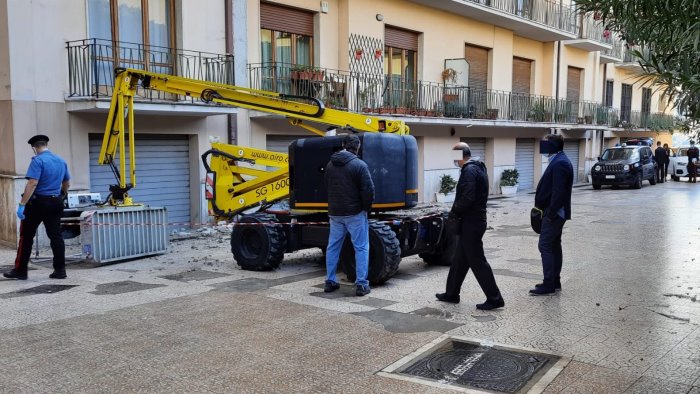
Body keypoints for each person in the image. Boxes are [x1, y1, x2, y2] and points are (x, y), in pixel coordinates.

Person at [436, 142, 504, 310]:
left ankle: (495, 298)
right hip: (475, 221)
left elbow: (467, 198)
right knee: (460, 259)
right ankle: (451, 294)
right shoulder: (478, 167)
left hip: (471, 223)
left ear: (460, 155)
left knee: (477, 261)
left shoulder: (469, 171)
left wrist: (454, 213)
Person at [4, 135, 70, 280]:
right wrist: (63, 195)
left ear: (34, 148)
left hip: (38, 203)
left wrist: (22, 204)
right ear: (46, 144)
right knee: (56, 236)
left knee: (26, 237)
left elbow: (32, 183)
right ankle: (60, 271)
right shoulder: (61, 161)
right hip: (56, 202)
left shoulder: (38, 160)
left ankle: (20, 270)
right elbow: (66, 183)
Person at [324, 134, 375, 296]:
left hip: (335, 213)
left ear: (344, 145)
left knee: (333, 247)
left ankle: (330, 281)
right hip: (354, 213)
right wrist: (366, 208)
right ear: (357, 147)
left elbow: (327, 185)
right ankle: (361, 284)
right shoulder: (359, 165)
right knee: (361, 247)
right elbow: (368, 190)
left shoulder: (330, 164)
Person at [530, 134, 573, 296]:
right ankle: (554, 281)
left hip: (555, 214)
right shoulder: (559, 160)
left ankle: (549, 284)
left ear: (553, 146)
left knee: (545, 245)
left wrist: (550, 214)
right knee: (554, 245)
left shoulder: (560, 163)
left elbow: (559, 192)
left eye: (545, 144)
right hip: (556, 212)